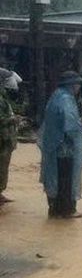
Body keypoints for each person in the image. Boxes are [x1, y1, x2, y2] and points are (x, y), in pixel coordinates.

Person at [39, 71, 82, 219]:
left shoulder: (56, 96)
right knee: (66, 179)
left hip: (53, 146)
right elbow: (71, 124)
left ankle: (54, 210)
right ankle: (67, 210)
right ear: (72, 85)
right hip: (64, 148)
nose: (79, 87)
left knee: (54, 178)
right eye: (77, 84)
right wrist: (77, 139)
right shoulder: (66, 99)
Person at [0, 68, 22, 205]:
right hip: (2, 139)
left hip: (6, 139)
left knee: (3, 167)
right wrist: (13, 119)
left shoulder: (4, 98)